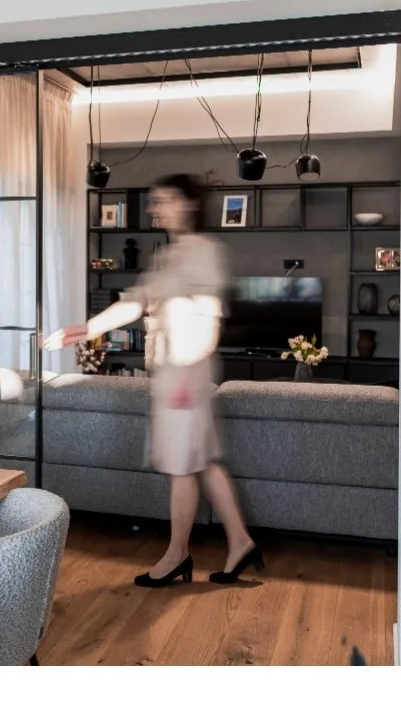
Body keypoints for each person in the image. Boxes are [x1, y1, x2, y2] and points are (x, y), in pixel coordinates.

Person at [44, 173, 263, 586]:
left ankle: (177, 555)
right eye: (153, 200)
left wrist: (186, 373)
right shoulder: (169, 255)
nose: (154, 207)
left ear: (188, 204)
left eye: (163, 200)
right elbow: (136, 302)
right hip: (175, 375)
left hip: (185, 374)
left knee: (182, 466)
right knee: (201, 463)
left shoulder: (204, 252)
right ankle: (240, 542)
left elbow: (208, 318)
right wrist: (87, 328)